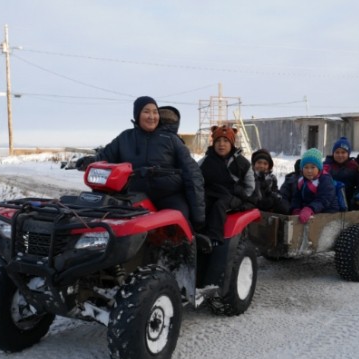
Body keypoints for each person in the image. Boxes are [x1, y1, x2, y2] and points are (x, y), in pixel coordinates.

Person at [76, 96, 205, 228]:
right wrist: (89, 161)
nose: (152, 116)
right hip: (133, 196)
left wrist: (198, 214)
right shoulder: (125, 138)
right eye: (146, 111)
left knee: (179, 225)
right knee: (116, 226)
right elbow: (105, 156)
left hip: (168, 196)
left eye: (155, 112)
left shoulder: (171, 139)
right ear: (137, 115)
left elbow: (192, 173)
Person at [198, 125, 256, 246]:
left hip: (232, 196)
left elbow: (250, 185)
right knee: (200, 204)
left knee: (219, 206)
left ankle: (215, 238)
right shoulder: (206, 160)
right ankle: (197, 233)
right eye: (218, 141)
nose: (221, 144)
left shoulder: (242, 162)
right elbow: (196, 177)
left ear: (232, 143)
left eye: (225, 141)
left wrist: (243, 197)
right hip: (211, 193)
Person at [290, 148, 339, 223]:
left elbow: (324, 199)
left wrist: (310, 208)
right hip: (310, 212)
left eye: (313, 167)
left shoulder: (325, 179)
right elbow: (297, 197)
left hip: (328, 212)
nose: (309, 171)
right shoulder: (301, 181)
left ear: (319, 168)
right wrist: (296, 209)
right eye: (306, 167)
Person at [251, 148, 290, 214]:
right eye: (259, 162)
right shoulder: (250, 177)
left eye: (265, 164)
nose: (262, 166)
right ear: (254, 164)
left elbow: (275, 191)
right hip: (253, 208)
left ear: (269, 166)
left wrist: (274, 197)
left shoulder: (272, 179)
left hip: (268, 210)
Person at [323, 136, 359, 205]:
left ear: (348, 154)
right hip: (331, 200)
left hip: (349, 199)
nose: (340, 155)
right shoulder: (326, 166)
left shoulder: (354, 166)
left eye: (343, 152)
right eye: (337, 152)